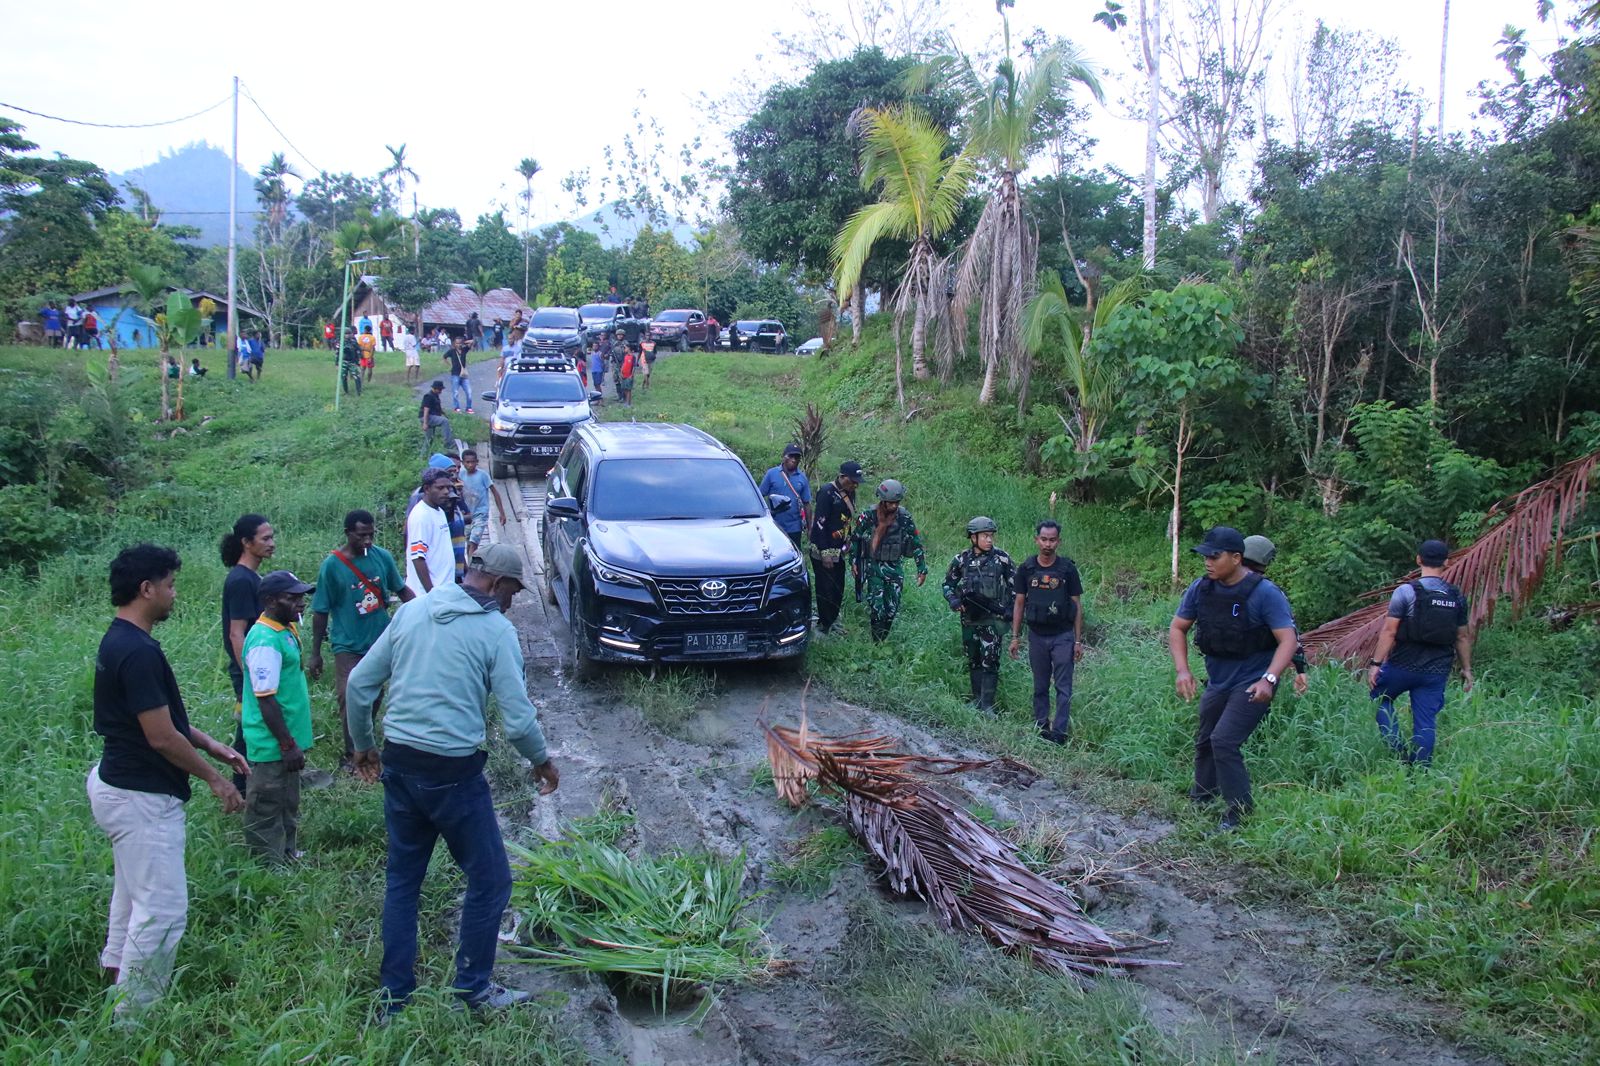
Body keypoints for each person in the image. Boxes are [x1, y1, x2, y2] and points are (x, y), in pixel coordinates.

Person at [346, 543, 559, 1018]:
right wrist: (542, 761)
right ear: (499, 584)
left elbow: (360, 685)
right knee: (491, 881)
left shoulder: (413, 612)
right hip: (453, 773)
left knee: (403, 881)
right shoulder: (495, 631)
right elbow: (519, 721)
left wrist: (363, 746)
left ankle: (393, 998)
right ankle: (473, 990)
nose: (511, 603)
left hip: (399, 764)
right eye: (513, 593)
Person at [88, 544, 247, 1015]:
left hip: (118, 786)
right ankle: (131, 1023)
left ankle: (115, 982)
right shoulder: (135, 651)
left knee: (131, 899)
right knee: (161, 912)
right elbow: (159, 737)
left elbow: (162, 719)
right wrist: (216, 780)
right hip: (140, 798)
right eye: (171, 585)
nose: (175, 595)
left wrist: (210, 744)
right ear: (147, 589)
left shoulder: (121, 641)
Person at [1167, 526, 1298, 831]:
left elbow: (1288, 640)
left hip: (1252, 681)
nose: (1207, 562)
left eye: (1215, 556)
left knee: (1223, 741)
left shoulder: (1265, 593)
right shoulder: (1201, 589)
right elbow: (1177, 628)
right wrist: (1183, 670)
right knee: (1205, 740)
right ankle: (1202, 796)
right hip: (1218, 680)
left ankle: (1240, 812)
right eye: (1205, 556)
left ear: (1237, 558)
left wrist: (1270, 679)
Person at [308, 511, 414, 772]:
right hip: (348, 645)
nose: (367, 540)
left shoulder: (382, 558)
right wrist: (315, 652)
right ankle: (352, 754)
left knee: (375, 694)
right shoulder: (332, 567)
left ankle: (365, 739)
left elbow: (401, 590)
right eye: (361, 535)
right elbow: (320, 610)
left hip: (380, 641)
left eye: (370, 534)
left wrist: (428, 612)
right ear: (347, 533)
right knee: (349, 695)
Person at [1368, 539, 1473, 766]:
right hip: (1436, 669)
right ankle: (1421, 772)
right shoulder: (1456, 597)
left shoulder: (1406, 592)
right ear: (1447, 562)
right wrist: (1466, 669)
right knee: (1425, 722)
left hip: (1402, 664)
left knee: (1379, 700)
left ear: (1418, 560)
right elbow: (1462, 636)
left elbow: (1389, 631)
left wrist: (1375, 664)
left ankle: (1398, 754)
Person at [240, 571, 316, 865]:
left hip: (287, 740)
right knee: (267, 802)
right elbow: (266, 699)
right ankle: (266, 864)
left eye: (301, 597)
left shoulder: (285, 629)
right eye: (292, 598)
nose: (301, 603)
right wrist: (286, 744)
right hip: (272, 743)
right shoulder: (263, 640)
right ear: (271, 601)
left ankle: (288, 851)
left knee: (288, 799)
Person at [1009, 520, 1084, 742]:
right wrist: (1015, 637)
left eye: (1052, 540)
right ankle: (1041, 729)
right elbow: (1019, 604)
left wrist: (1078, 641)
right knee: (1040, 685)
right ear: (1036, 540)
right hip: (1037, 636)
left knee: (1063, 688)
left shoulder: (1067, 569)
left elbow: (1077, 605)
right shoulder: (1026, 569)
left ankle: (1059, 734)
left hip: (1063, 636)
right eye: (1044, 539)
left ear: (1058, 542)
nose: (1047, 544)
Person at [221, 514, 275, 793]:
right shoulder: (242, 580)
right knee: (250, 727)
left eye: (272, 537)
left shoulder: (251, 576)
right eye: (265, 538)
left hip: (255, 667)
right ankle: (242, 787)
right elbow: (236, 632)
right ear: (246, 542)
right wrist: (251, 674)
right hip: (249, 670)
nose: (271, 544)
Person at [941, 517, 1016, 714]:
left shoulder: (1002, 559)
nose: (989, 540)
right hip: (970, 619)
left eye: (991, 536)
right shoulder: (961, 559)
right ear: (973, 537)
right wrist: (953, 601)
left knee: (990, 660)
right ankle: (976, 700)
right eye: (985, 536)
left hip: (993, 619)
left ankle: (987, 705)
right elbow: (947, 584)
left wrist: (1010, 609)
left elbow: (1017, 587)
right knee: (973, 658)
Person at [850, 479, 927, 642]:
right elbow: (855, 538)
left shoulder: (904, 517)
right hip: (874, 567)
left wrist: (922, 569)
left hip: (894, 568)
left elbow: (916, 543)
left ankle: (883, 638)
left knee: (891, 608)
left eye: (896, 503)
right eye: (890, 503)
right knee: (877, 608)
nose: (893, 506)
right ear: (882, 501)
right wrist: (853, 561)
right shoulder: (869, 515)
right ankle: (877, 643)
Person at [1241, 535, 1310, 696]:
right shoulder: (1268, 591)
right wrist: (1301, 669)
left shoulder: (1220, 586)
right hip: (1258, 669)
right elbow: (1291, 635)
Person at [809, 461, 863, 635]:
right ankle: (823, 625)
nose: (855, 485)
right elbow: (819, 525)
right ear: (842, 477)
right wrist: (825, 554)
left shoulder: (850, 493)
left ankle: (831, 621)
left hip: (840, 550)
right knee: (825, 588)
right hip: (823, 550)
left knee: (838, 588)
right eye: (852, 481)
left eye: (857, 482)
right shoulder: (826, 492)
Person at [406, 468, 457, 596]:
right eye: (440, 488)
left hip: (443, 589)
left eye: (448, 487)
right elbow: (418, 558)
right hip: (427, 595)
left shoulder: (439, 511)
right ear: (427, 489)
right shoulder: (421, 516)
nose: (446, 492)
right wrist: (431, 594)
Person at [759, 444, 812, 552]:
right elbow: (759, 496)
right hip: (773, 524)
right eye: (790, 456)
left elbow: (807, 503)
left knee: (793, 553)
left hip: (794, 527)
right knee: (774, 553)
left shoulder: (802, 478)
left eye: (797, 457)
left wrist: (810, 528)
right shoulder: (772, 474)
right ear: (784, 456)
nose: (793, 460)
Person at [459, 450, 507, 558]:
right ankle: (470, 565)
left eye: (472, 462)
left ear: (477, 462)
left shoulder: (483, 475)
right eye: (467, 462)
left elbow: (495, 492)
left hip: (481, 513)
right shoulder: (460, 476)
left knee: (474, 541)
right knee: (468, 539)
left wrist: (502, 513)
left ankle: (471, 566)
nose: (470, 465)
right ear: (463, 463)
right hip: (467, 515)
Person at [420, 381, 454, 454]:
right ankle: (448, 443)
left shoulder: (435, 395)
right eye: (439, 390)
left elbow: (438, 407)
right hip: (427, 417)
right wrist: (425, 423)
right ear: (435, 389)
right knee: (444, 421)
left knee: (429, 439)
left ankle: (423, 456)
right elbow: (426, 410)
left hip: (432, 417)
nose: (441, 391)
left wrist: (444, 414)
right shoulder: (428, 396)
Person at [446, 336, 473, 412]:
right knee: (455, 392)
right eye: (457, 343)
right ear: (454, 344)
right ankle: (456, 407)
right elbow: (444, 357)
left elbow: (472, 342)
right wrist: (449, 365)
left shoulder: (464, 350)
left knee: (469, 392)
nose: (458, 344)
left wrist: (464, 342)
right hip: (455, 374)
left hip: (464, 375)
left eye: (460, 343)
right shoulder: (452, 351)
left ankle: (469, 407)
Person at [615, 343, 636, 407]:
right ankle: (626, 402)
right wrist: (621, 372)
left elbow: (634, 367)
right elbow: (623, 365)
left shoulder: (633, 357)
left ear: (629, 348)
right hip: (623, 375)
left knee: (628, 389)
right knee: (624, 389)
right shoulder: (625, 356)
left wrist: (631, 375)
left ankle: (629, 403)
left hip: (628, 376)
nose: (624, 349)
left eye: (625, 348)